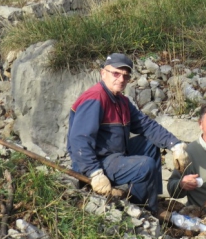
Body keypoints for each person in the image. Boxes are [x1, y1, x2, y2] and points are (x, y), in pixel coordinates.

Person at [67, 53, 187, 213]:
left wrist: (175, 145)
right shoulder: (95, 99)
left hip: (115, 155)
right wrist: (94, 172)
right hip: (97, 161)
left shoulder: (121, 101)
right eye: (116, 73)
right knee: (146, 165)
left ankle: (151, 196)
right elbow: (79, 140)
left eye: (126, 75)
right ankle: (143, 210)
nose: (121, 79)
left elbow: (146, 125)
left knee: (151, 145)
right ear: (103, 73)